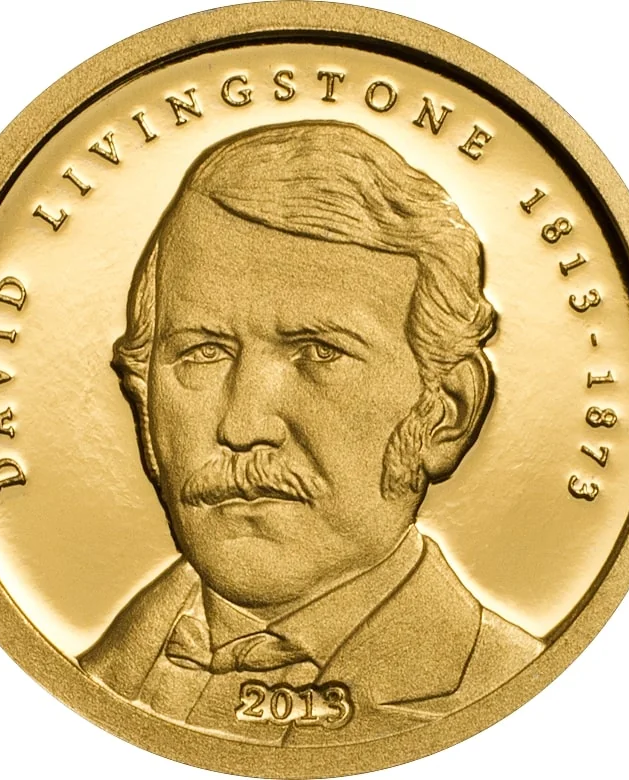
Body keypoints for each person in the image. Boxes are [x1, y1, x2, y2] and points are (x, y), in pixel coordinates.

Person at [79, 121, 543, 744]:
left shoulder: (529, 699)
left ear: (445, 413)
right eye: (203, 352)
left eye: (319, 352)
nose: (242, 426)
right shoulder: (85, 679)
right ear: (143, 404)